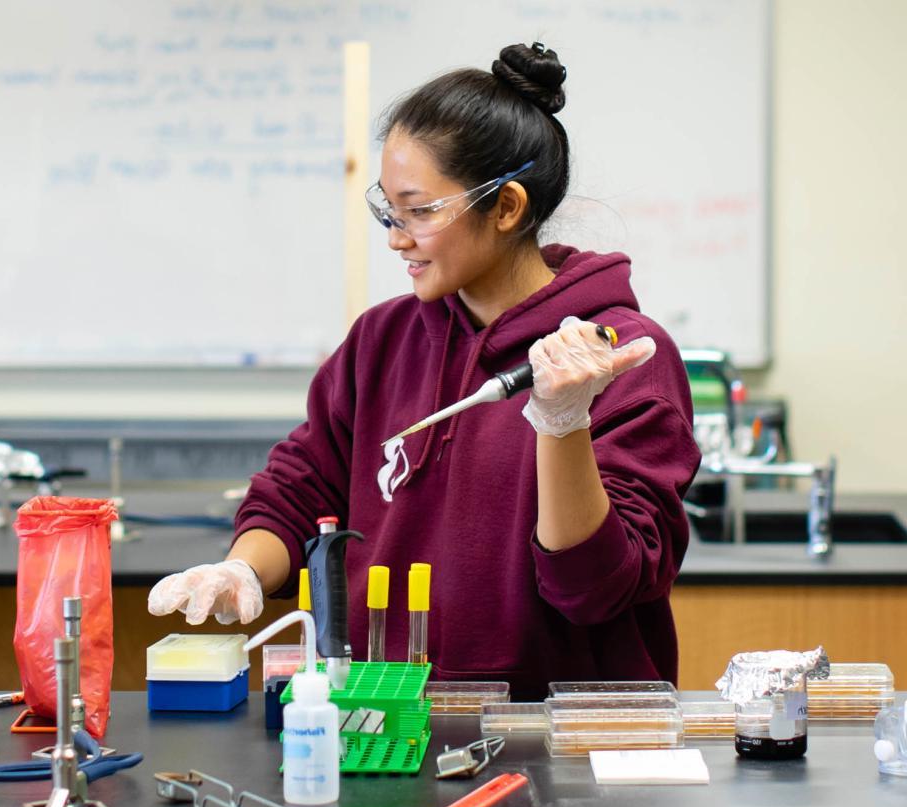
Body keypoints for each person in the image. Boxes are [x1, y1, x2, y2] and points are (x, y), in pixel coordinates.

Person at [149, 42, 701, 700]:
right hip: (387, 713)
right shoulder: (382, 341)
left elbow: (595, 588)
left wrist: (563, 424)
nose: (396, 237)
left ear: (505, 207)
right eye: (388, 208)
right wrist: (241, 569)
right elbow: (301, 490)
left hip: (562, 738)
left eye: (420, 212)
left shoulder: (618, 355)